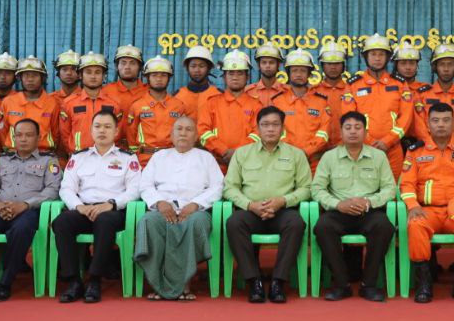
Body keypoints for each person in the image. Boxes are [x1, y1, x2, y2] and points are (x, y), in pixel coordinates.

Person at [400, 102, 454, 304]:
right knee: (415, 225)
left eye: (446, 120)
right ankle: (424, 283)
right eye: (436, 120)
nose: (441, 124)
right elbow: (406, 184)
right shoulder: (416, 151)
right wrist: (413, 206)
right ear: (428, 124)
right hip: (426, 210)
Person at [0, 118, 61, 302]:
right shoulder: (3, 160)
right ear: (14, 138)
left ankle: (5, 283)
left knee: (21, 230)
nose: (23, 139)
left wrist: (25, 205)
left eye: (29, 135)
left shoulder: (49, 160)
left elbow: (53, 190)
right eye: (19, 135)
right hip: (0, 210)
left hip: (28, 211)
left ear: (38, 137)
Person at [223, 106, 312, 304]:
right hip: (251, 211)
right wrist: (250, 205)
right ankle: (253, 281)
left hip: (282, 211)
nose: (270, 129)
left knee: (296, 223)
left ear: (283, 128)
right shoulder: (242, 154)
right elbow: (230, 188)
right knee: (234, 223)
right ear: (257, 128)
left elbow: (306, 188)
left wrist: (283, 201)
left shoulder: (296, 154)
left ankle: (278, 282)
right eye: (265, 125)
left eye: (275, 124)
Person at [52, 110, 141, 304]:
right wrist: (78, 206)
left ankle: (94, 279)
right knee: (61, 222)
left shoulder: (128, 158)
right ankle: (74, 281)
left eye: (107, 127)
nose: (102, 131)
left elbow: (135, 189)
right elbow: (66, 188)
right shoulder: (79, 157)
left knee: (104, 221)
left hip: (113, 212)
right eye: (98, 126)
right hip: (84, 209)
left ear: (116, 131)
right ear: (91, 130)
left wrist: (111, 204)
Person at [311, 110, 397, 302]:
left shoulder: (378, 156)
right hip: (339, 211)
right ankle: (342, 284)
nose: (352, 131)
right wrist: (338, 204)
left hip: (369, 211)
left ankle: (369, 284)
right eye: (348, 127)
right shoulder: (329, 157)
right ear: (341, 132)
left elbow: (390, 188)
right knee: (323, 227)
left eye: (358, 127)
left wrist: (369, 202)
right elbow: (317, 189)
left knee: (384, 227)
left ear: (365, 132)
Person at [135, 116, 223, 301]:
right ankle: (158, 284)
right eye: (179, 129)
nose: (183, 133)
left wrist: (196, 204)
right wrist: (159, 202)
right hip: (163, 209)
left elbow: (218, 186)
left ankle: (185, 283)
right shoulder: (159, 157)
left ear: (196, 136)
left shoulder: (206, 158)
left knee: (196, 223)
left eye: (188, 129)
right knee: (148, 221)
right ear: (171, 135)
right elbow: (145, 185)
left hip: (196, 211)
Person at [343, 34, 414, 178]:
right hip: (363, 148)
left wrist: (388, 141)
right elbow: (349, 118)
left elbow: (406, 118)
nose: (377, 58)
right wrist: (369, 142)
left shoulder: (400, 83)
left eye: (381, 54)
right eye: (373, 54)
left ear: (387, 57)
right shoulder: (353, 85)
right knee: (365, 186)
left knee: (393, 188)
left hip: (393, 149)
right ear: (366, 57)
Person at [198, 50, 261, 170]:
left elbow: (258, 134)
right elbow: (203, 132)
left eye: (240, 73)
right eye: (231, 73)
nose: (235, 77)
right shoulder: (211, 103)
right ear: (224, 77)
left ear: (247, 77)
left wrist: (237, 153)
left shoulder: (257, 105)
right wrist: (223, 151)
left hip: (246, 166)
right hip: (216, 165)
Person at [270, 49, 333, 166]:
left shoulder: (321, 101)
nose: (298, 74)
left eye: (303, 71)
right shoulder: (277, 101)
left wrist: (307, 151)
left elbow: (324, 132)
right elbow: (275, 130)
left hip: (314, 162)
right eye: (294, 70)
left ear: (309, 73)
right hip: (284, 160)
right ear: (288, 73)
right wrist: (293, 153)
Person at [411, 43, 454, 148]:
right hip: (429, 150)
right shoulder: (421, 95)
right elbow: (420, 128)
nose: (446, 69)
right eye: (442, 64)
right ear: (435, 67)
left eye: (450, 64)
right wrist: (432, 147)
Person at [123, 56, 189, 164]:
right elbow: (131, 136)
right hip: (144, 161)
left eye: (163, 75)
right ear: (147, 77)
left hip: (172, 159)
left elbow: (183, 134)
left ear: (169, 78)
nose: (159, 79)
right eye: (154, 75)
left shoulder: (178, 106)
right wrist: (135, 157)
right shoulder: (137, 106)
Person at [58, 51, 120, 156]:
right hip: (78, 156)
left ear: (104, 75)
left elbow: (118, 132)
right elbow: (65, 133)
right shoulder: (69, 103)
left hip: (107, 156)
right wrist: (73, 150)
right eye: (88, 72)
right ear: (80, 75)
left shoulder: (114, 103)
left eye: (97, 72)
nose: (93, 76)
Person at [0, 56, 60, 155]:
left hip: (43, 155)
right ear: (20, 78)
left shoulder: (52, 103)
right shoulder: (8, 102)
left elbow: (56, 134)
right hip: (13, 155)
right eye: (26, 75)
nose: (30, 79)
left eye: (35, 75)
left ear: (43, 78)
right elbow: (3, 132)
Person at [175, 45, 220, 121]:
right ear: (187, 68)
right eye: (193, 66)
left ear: (208, 68)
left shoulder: (218, 95)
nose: (197, 70)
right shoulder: (177, 96)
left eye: (201, 66)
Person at [104, 44, 147, 115]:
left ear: (140, 67)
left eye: (132, 63)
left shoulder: (149, 92)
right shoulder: (106, 91)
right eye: (123, 63)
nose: (127, 67)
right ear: (117, 66)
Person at [246, 43, 288, 107]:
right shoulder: (248, 92)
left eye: (271, 62)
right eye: (264, 62)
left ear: (278, 65)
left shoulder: (287, 91)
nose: (267, 66)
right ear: (258, 65)